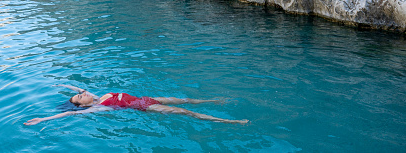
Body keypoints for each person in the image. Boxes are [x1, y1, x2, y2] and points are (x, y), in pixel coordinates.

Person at [24, 84, 250, 125]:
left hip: (148, 97)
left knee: (184, 99)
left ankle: (214, 101)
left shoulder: (98, 95)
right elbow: (68, 115)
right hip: (145, 107)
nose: (83, 94)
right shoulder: (97, 107)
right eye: (80, 97)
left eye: (82, 94)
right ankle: (227, 120)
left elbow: (78, 87)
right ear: (83, 105)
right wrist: (44, 118)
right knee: (184, 111)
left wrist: (66, 87)